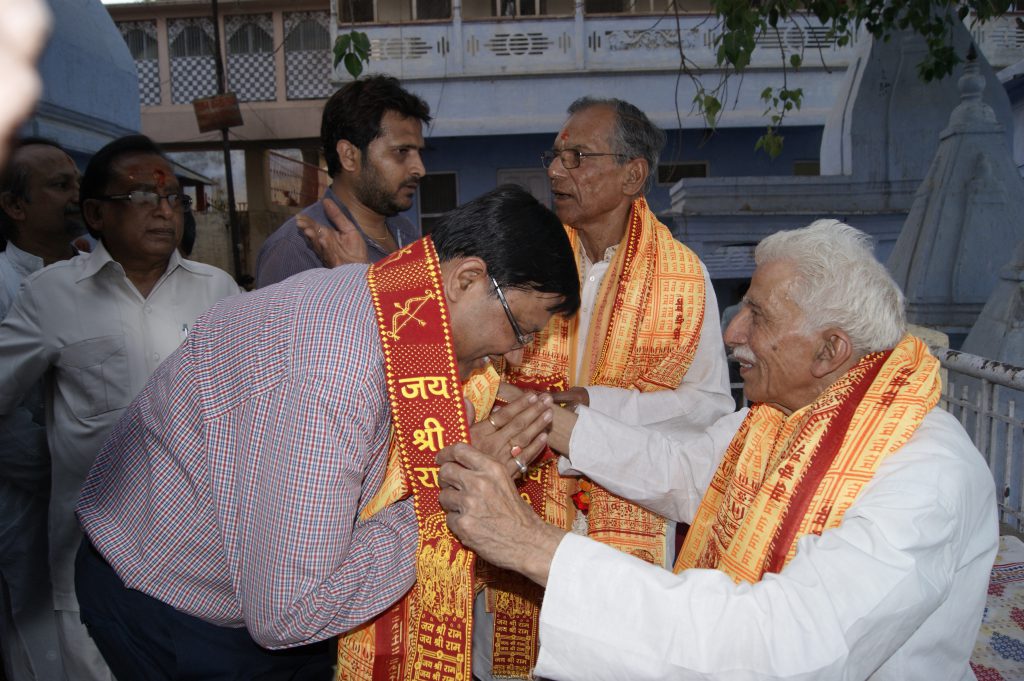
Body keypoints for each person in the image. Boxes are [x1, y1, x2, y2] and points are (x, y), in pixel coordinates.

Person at [438, 219, 998, 681]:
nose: (732, 335)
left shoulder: (927, 477)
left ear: (830, 350)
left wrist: (534, 546)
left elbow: (785, 649)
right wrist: (549, 421)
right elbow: (685, 473)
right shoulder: (779, 419)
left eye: (759, 316)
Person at [73, 185, 580, 680]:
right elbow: (290, 613)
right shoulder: (333, 370)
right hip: (173, 605)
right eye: (521, 329)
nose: (515, 356)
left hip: (248, 588)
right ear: (465, 279)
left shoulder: (393, 302)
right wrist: (454, 500)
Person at [472, 97, 733, 679]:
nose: (557, 171)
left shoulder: (683, 276)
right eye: (555, 155)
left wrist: (597, 406)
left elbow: (709, 408)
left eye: (577, 157)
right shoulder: (524, 258)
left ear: (633, 173)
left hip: (628, 508)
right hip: (520, 495)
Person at [0, 134, 239, 681]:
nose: (162, 210)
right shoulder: (50, 296)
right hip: (92, 567)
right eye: (140, 197)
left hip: (203, 565)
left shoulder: (219, 294)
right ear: (95, 213)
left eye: (173, 197)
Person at [0, 136, 78, 680]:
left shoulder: (94, 276)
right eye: (59, 186)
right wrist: (67, 469)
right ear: (15, 206)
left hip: (101, 495)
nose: (76, 196)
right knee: (35, 629)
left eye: (76, 182)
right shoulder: (5, 286)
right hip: (28, 496)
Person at [255, 74, 429, 287]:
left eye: (419, 153)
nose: (419, 169)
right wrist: (353, 282)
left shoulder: (406, 232)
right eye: (401, 151)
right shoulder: (296, 248)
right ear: (349, 155)